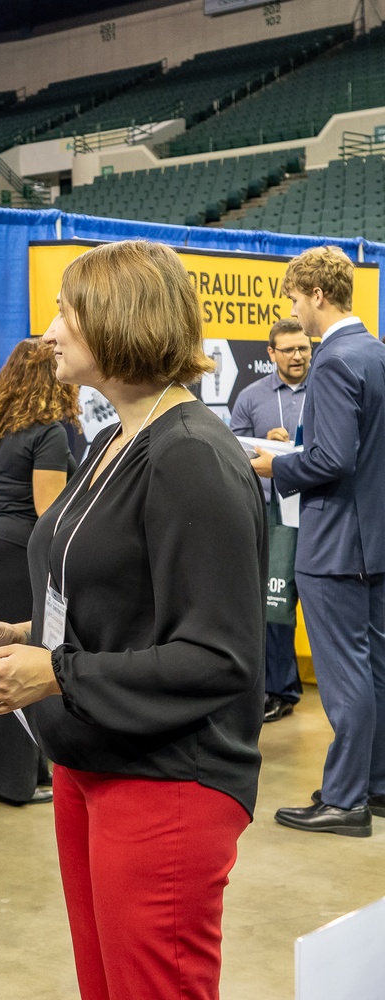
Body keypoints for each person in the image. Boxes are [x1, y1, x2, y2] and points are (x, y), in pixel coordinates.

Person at [0, 240, 266, 1000]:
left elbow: (217, 657)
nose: (49, 331)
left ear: (120, 321)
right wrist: (26, 638)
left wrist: (55, 672)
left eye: (67, 312)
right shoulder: (112, 440)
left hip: (165, 782)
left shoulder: (190, 455)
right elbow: (128, 606)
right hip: (90, 762)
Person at [252, 244, 385, 838]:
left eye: (294, 299)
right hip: (375, 541)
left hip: (336, 544)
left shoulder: (333, 361)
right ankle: (375, 785)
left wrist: (272, 467)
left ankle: (344, 799)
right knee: (376, 669)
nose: (294, 312)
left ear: (317, 296)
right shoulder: (376, 352)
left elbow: (330, 458)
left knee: (344, 675)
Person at [0, 338, 78, 805]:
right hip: (22, 549)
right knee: (21, 660)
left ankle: (27, 769)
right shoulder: (49, 432)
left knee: (0, 658)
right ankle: (9, 782)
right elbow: (47, 512)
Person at [230, 317, 311, 723]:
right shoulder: (252, 397)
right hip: (269, 512)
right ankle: (277, 688)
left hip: (317, 511)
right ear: (271, 354)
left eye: (303, 347)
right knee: (273, 602)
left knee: (313, 602)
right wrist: (268, 446)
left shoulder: (326, 387)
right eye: (289, 349)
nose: (298, 356)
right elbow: (233, 451)